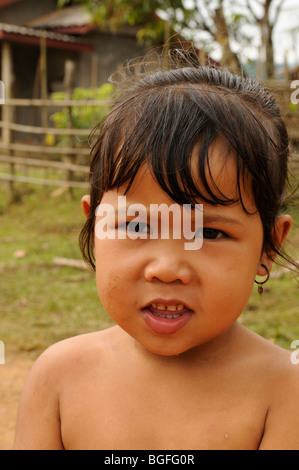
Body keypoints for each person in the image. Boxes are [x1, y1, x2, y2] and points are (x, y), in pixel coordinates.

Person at [14, 50, 299, 450]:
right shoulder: (58, 378)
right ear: (94, 225)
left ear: (269, 246)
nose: (166, 269)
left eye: (210, 234)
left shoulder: (285, 391)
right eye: (135, 225)